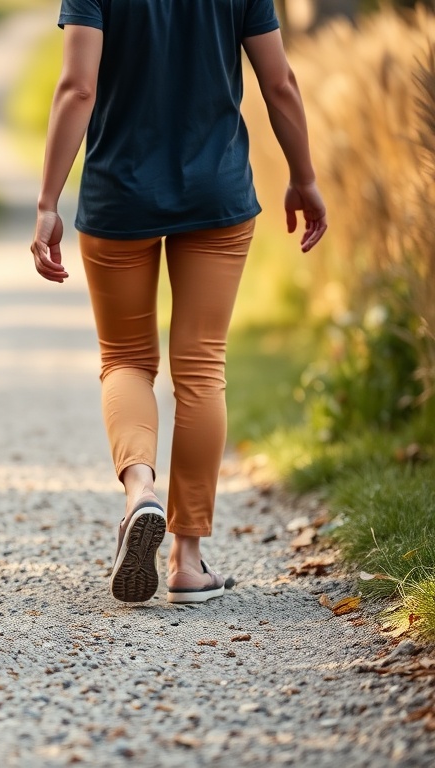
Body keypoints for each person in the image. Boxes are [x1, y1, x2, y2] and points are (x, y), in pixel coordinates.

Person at [31, 1, 327, 604]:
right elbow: (279, 81)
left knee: (126, 360)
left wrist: (47, 203)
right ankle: (187, 561)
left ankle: (140, 489)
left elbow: (77, 88)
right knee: (201, 366)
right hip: (215, 191)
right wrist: (303, 175)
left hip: (119, 196)